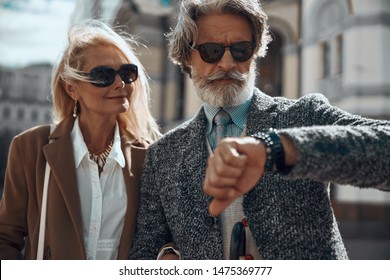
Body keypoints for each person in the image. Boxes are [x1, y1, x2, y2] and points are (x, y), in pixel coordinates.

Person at [129, 0, 390, 260]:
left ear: (255, 52)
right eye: (211, 51)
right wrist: (166, 254)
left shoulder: (305, 115)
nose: (228, 63)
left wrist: (279, 149)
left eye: (241, 50)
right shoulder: (163, 155)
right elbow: (145, 249)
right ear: (187, 56)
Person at [0, 19, 160, 260]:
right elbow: (6, 238)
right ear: (71, 89)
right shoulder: (30, 147)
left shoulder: (149, 157)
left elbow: (158, 241)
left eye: (127, 73)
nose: (120, 84)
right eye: (103, 75)